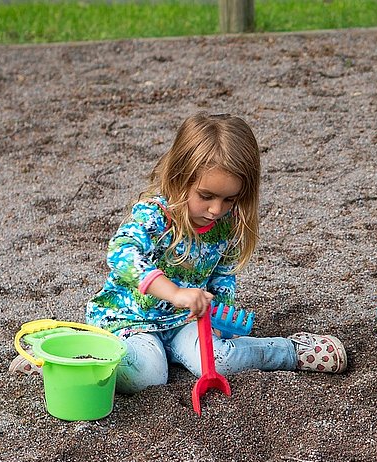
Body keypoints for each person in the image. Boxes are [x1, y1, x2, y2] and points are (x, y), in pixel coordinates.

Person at [73, 113, 346, 394]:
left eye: (229, 199)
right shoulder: (155, 215)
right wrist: (174, 293)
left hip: (186, 321)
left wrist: (218, 319)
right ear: (180, 179)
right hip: (132, 320)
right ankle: (73, 357)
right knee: (146, 377)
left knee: (220, 360)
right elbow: (121, 253)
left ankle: (291, 351)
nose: (217, 209)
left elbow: (222, 276)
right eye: (206, 196)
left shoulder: (226, 224)